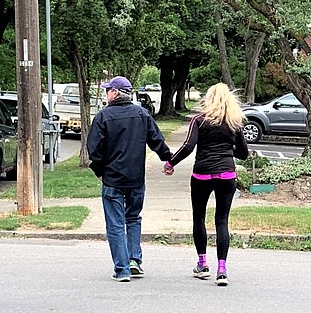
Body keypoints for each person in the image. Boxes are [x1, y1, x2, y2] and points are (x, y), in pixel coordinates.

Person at [87, 76, 173, 282]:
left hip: (112, 180)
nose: (106, 93)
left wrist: (99, 171)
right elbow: (157, 141)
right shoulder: (142, 114)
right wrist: (168, 160)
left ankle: (122, 269)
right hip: (136, 179)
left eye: (108, 90)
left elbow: (94, 150)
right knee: (133, 218)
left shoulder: (103, 117)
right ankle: (134, 260)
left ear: (115, 93)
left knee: (115, 224)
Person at [163, 83, 249, 286]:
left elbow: (188, 146)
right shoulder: (234, 122)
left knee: (199, 217)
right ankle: (222, 270)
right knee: (222, 221)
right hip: (227, 175)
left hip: (202, 174)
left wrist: (170, 163)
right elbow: (243, 153)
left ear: (208, 99)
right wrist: (228, 150)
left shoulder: (199, 120)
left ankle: (202, 264)